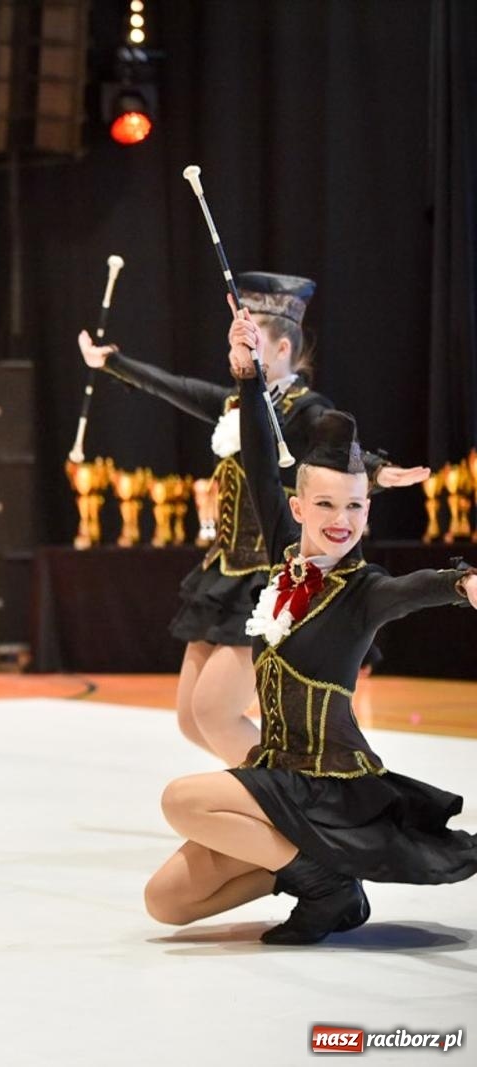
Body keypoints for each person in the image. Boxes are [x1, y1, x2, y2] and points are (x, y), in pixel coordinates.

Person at [142, 302, 477, 944]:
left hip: (327, 788)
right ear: (297, 506)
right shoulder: (280, 556)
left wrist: (460, 583)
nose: (340, 518)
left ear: (367, 515)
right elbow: (261, 455)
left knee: (181, 800)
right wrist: (246, 374)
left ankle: (322, 882)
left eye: (354, 506)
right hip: (275, 774)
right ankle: (320, 875)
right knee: (167, 904)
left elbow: (415, 590)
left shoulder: (365, 590)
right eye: (324, 502)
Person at [78, 273, 428, 764]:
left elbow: (333, 443)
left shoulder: (304, 408)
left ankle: (292, 797)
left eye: (250, 338)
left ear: (281, 348)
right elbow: (172, 387)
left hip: (266, 579)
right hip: (221, 575)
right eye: (234, 337)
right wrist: (112, 362)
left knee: (215, 712)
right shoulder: (233, 404)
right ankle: (279, 792)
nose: (236, 345)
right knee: (189, 719)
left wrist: (378, 471)